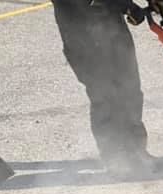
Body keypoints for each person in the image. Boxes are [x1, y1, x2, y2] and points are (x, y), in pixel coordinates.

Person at [51, 0, 154, 175]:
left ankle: (135, 149)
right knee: (104, 97)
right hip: (82, 36)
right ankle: (114, 156)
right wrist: (125, 5)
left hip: (113, 29)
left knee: (130, 90)